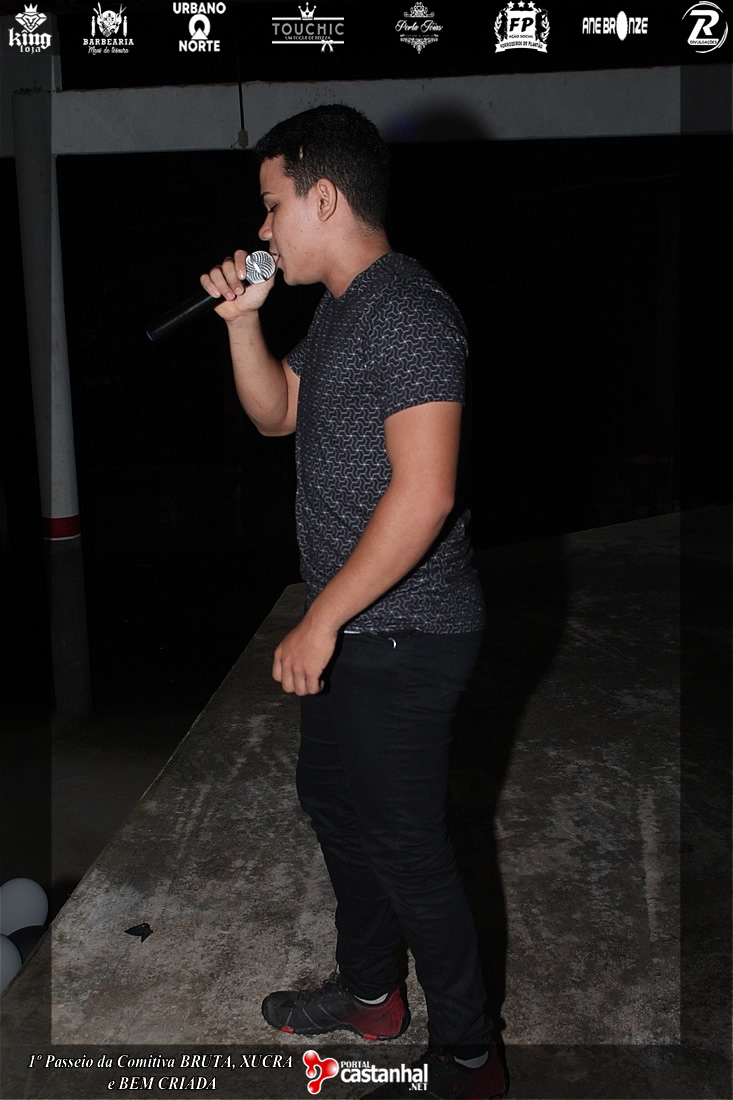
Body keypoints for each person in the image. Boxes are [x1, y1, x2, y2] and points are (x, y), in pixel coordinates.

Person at [201, 103, 508, 1100]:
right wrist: (244, 323)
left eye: (270, 205)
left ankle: (469, 1055)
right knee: (338, 807)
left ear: (323, 197)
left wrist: (321, 617)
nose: (260, 229)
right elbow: (276, 413)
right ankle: (373, 992)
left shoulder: (408, 310)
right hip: (358, 629)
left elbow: (425, 493)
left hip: (405, 631)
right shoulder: (341, 309)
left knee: (408, 847)